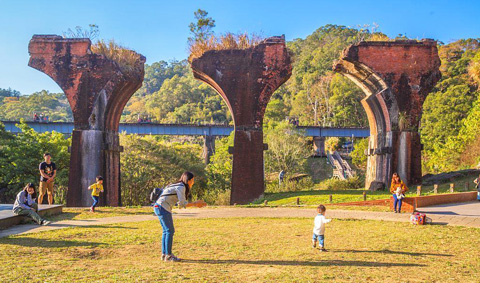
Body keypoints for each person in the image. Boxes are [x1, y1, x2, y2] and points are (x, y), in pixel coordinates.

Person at [154, 171, 195, 262]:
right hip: (163, 207)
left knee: (166, 231)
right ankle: (168, 256)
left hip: (158, 206)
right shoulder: (181, 187)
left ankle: (164, 254)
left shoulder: (176, 185)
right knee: (169, 231)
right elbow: (182, 204)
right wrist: (196, 204)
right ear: (189, 180)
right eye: (193, 180)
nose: (193, 182)